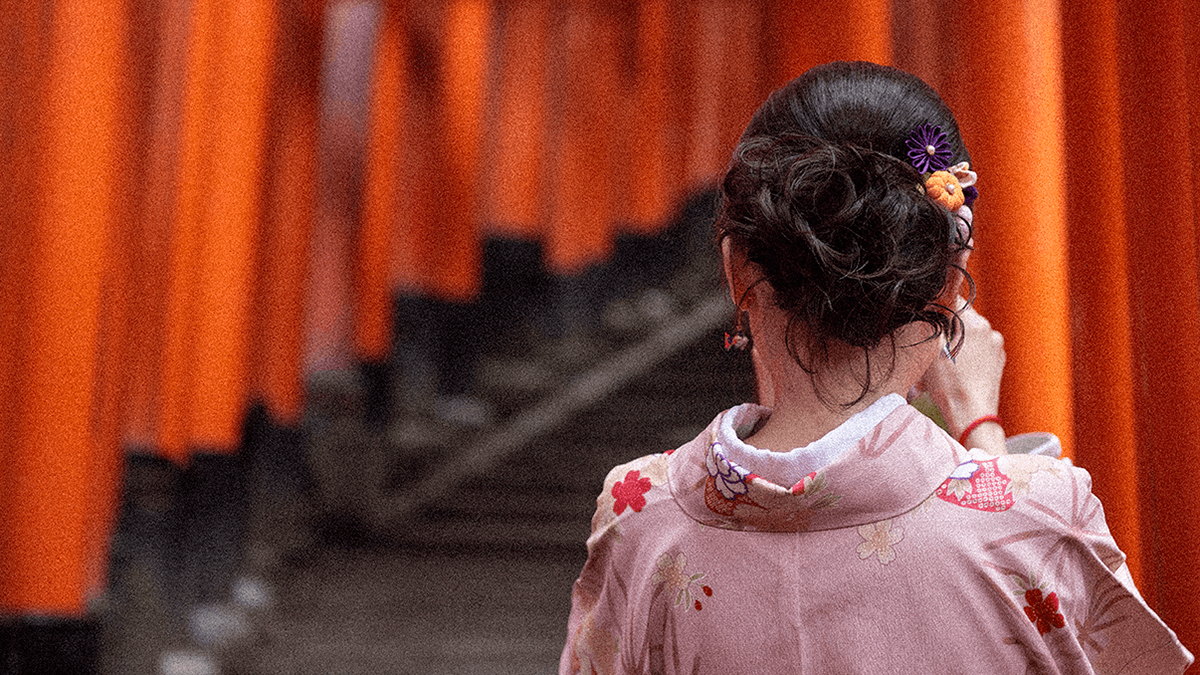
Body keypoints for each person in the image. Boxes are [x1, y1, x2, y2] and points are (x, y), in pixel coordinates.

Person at [560, 61, 1193, 674]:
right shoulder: (1039, 513)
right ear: (951, 277)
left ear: (737, 269)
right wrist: (983, 433)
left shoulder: (640, 515)